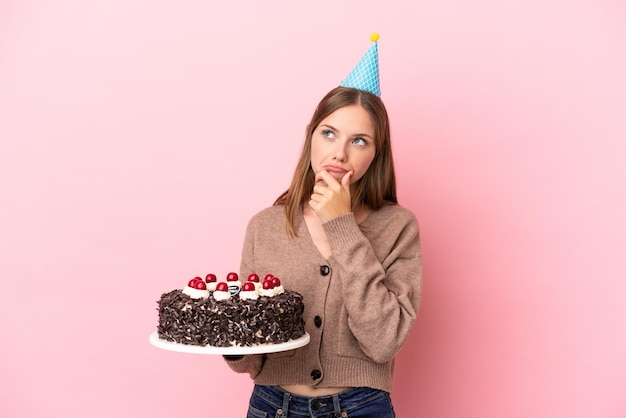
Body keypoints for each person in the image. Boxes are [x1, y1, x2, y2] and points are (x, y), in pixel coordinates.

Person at [224, 35, 422, 418]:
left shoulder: (398, 226)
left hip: (360, 408)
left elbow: (383, 341)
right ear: (311, 137)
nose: (339, 153)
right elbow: (249, 359)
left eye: (359, 141)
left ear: (375, 154)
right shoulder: (266, 226)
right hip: (271, 407)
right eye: (328, 133)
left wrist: (342, 225)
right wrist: (230, 339)